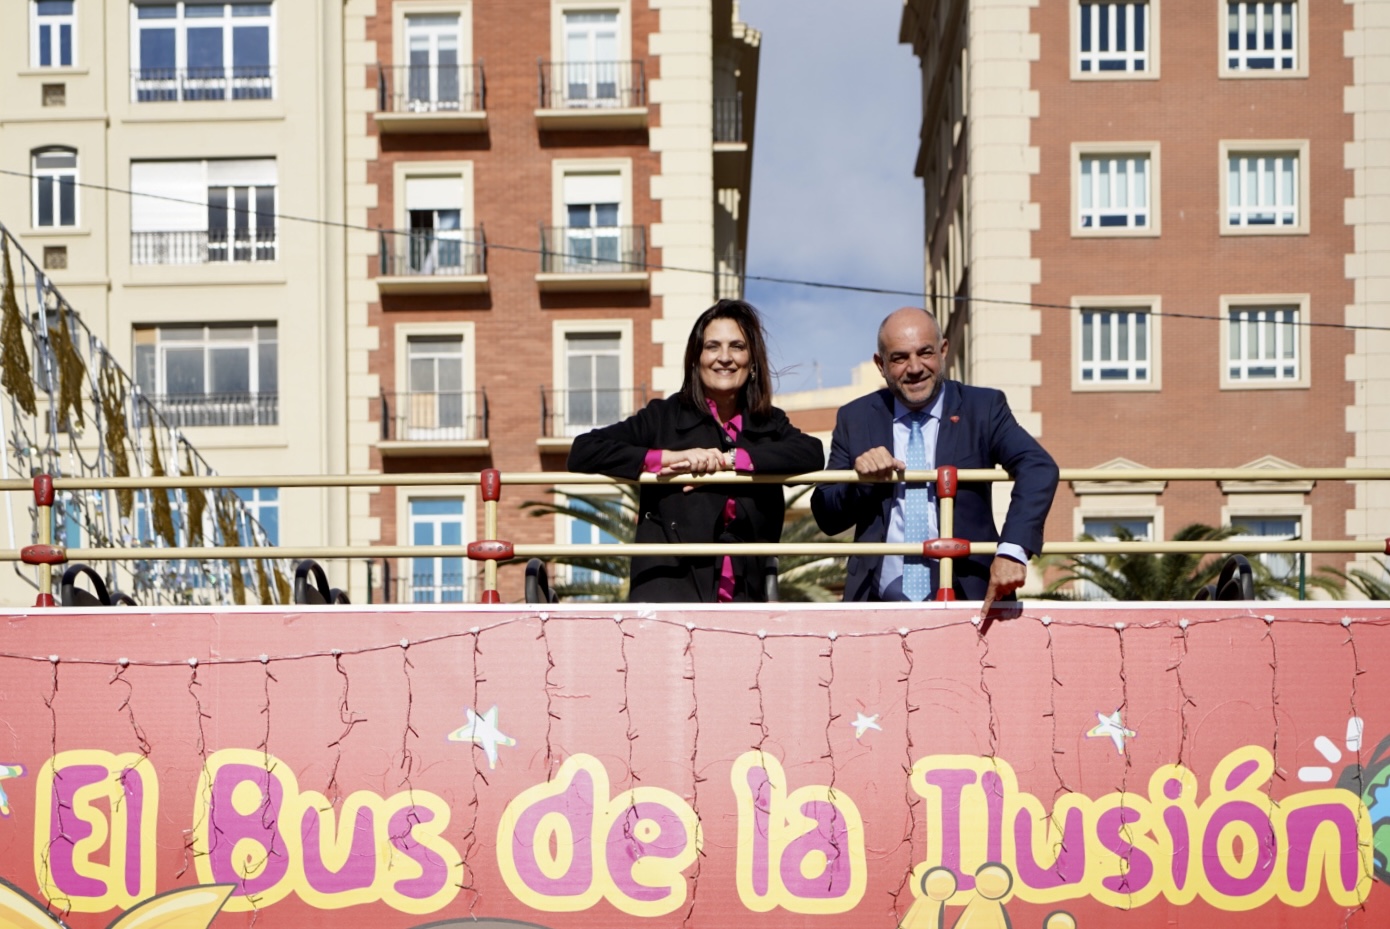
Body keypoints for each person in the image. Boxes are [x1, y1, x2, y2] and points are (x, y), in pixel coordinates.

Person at [568, 300, 826, 602]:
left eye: (738, 347)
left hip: (746, 592)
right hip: (668, 592)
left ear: (752, 361)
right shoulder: (663, 416)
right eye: (713, 346)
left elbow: (811, 453)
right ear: (696, 359)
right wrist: (665, 458)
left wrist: (731, 462)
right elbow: (583, 450)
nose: (725, 358)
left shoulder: (769, 421)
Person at [810, 307, 1058, 612]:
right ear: (881, 364)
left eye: (925, 353)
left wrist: (1011, 551)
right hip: (876, 601)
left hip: (971, 594)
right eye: (900, 358)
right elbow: (827, 515)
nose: (914, 368)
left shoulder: (983, 407)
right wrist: (861, 482)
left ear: (943, 351)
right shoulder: (856, 417)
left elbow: (1038, 466)